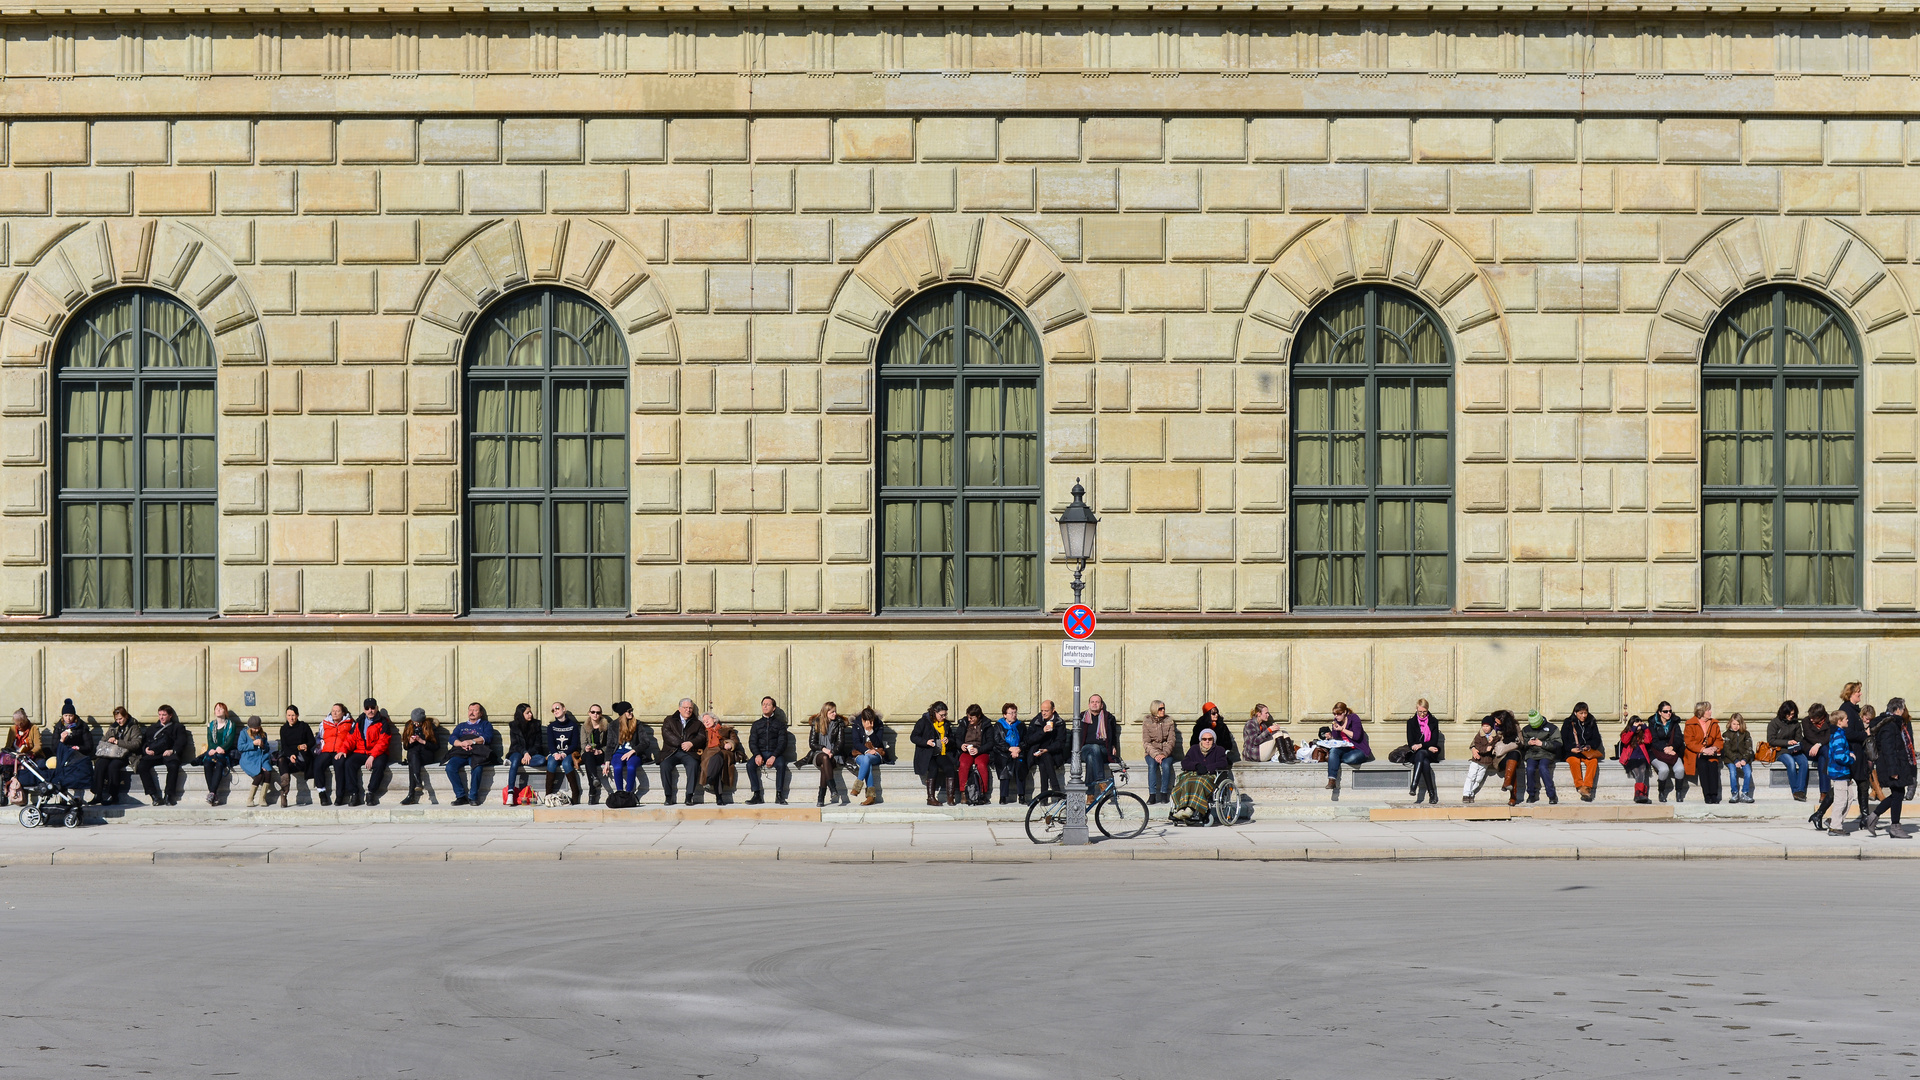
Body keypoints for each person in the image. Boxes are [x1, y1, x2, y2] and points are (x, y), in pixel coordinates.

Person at [1867, 698, 1916, 838]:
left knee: (1897, 795)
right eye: (1903, 708)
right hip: (1892, 766)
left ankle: (1873, 818)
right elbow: (1888, 750)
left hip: (1895, 764)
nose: (1904, 711)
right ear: (1898, 710)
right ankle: (1894, 826)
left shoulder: (1891, 723)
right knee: (1898, 795)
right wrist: (1893, 771)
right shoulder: (1890, 725)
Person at [1169, 728, 1232, 825]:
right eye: (1204, 739)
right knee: (1185, 782)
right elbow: (1185, 762)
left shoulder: (1219, 750)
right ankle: (1181, 808)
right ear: (1200, 740)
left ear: (1213, 740)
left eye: (1210, 739)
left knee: (1198, 782)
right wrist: (1196, 765)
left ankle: (1191, 808)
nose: (1207, 741)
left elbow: (1223, 763)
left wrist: (1208, 768)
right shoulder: (1194, 749)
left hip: (1210, 776)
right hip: (1192, 774)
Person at [135, 705, 189, 805]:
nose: (161, 717)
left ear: (170, 715)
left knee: (173, 765)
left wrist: (172, 751)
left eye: (164, 715)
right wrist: (145, 749)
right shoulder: (152, 728)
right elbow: (144, 742)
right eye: (160, 714)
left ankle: (169, 795)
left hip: (169, 754)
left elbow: (181, 742)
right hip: (154, 754)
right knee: (142, 766)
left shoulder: (178, 727)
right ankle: (154, 796)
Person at [443, 703, 495, 806]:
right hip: (461, 751)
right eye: (470, 710)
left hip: (477, 752)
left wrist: (472, 741)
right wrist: (462, 743)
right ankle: (461, 796)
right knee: (450, 767)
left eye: (475, 710)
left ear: (481, 713)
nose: (472, 712)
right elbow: (452, 738)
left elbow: (487, 737)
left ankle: (473, 797)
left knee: (477, 767)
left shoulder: (485, 725)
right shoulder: (461, 726)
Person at [91, 706, 143, 806]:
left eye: (120, 719)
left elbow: (136, 744)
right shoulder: (113, 727)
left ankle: (113, 795)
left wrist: (118, 742)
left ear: (126, 716)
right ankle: (97, 793)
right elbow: (103, 740)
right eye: (117, 719)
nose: (119, 721)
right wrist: (109, 739)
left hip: (126, 755)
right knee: (100, 764)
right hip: (110, 753)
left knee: (113, 767)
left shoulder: (133, 727)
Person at [747, 696, 793, 805]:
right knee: (750, 765)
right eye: (763, 704)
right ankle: (756, 794)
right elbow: (752, 742)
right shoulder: (756, 724)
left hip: (774, 753)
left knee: (781, 764)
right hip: (761, 752)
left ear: (774, 708)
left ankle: (779, 795)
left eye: (768, 704)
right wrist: (757, 755)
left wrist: (774, 756)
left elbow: (782, 742)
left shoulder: (780, 724)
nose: (765, 706)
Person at [603, 702, 652, 803]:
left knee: (631, 767)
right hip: (618, 753)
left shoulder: (637, 724)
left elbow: (646, 742)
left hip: (634, 753)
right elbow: (610, 745)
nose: (631, 713)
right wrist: (607, 761)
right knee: (617, 767)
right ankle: (620, 793)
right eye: (629, 711)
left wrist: (633, 751)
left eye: (632, 710)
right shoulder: (613, 725)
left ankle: (629, 793)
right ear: (623, 713)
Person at [912, 701, 958, 806]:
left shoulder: (946, 724)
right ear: (935, 712)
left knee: (950, 768)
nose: (944, 717)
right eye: (941, 715)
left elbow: (953, 739)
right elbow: (913, 737)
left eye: (945, 714)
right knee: (933, 769)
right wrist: (926, 742)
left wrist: (948, 740)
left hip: (941, 753)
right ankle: (930, 798)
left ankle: (950, 797)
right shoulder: (923, 722)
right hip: (927, 754)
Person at [807, 702, 853, 807]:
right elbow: (812, 743)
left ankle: (821, 798)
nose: (835, 714)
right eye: (832, 712)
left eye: (835, 711)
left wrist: (832, 752)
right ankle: (832, 788)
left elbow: (840, 743)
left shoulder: (839, 724)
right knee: (824, 757)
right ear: (826, 712)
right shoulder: (816, 723)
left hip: (834, 755)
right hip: (818, 753)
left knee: (825, 765)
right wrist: (823, 749)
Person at [659, 698, 704, 806]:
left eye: (690, 708)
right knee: (664, 765)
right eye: (685, 708)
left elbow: (702, 737)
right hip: (671, 751)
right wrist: (682, 743)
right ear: (679, 709)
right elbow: (666, 734)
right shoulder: (669, 720)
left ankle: (689, 796)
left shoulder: (697, 723)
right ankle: (668, 796)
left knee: (693, 765)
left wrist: (692, 743)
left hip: (689, 752)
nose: (688, 710)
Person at [1840, 685, 1872, 831]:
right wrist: (1865, 734)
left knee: (1863, 783)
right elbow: (1847, 733)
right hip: (1852, 752)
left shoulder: (1854, 709)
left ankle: (1865, 818)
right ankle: (1820, 813)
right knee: (1847, 785)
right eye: (1858, 691)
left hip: (1858, 753)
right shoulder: (1847, 709)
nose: (1860, 693)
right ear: (1851, 693)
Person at [695, 712, 745, 805]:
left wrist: (730, 744)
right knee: (717, 765)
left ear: (714, 719)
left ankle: (710, 780)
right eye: (704, 722)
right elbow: (698, 743)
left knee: (718, 757)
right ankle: (719, 797)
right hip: (709, 753)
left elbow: (735, 740)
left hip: (725, 752)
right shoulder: (704, 733)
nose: (706, 722)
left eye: (708, 720)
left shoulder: (726, 730)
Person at [1824, 705, 1859, 836]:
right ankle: (1835, 827)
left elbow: (1841, 750)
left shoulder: (1840, 734)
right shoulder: (1838, 735)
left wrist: (1848, 752)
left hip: (1843, 772)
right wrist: (1851, 759)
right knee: (1841, 800)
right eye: (1846, 719)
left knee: (1849, 797)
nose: (1848, 721)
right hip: (1839, 772)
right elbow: (1839, 756)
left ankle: (1834, 820)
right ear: (1839, 721)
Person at [1323, 702, 1371, 795]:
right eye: (1335, 714)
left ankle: (1334, 760)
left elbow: (1356, 736)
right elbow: (1337, 739)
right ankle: (1332, 780)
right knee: (1333, 751)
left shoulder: (1354, 718)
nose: (1336, 716)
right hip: (1345, 749)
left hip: (1358, 749)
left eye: (1339, 714)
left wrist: (1342, 729)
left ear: (1345, 712)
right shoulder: (1336, 721)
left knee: (1352, 758)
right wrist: (1332, 735)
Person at [1561, 701, 1604, 803]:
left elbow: (1596, 739)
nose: (1584, 716)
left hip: (1586, 752)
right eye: (1581, 713)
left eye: (1585, 713)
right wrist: (1571, 749)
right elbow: (1563, 739)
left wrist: (1589, 746)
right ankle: (1580, 786)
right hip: (1572, 751)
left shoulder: (1591, 721)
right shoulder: (1568, 722)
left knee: (1593, 762)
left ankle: (1587, 787)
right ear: (1575, 712)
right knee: (1574, 762)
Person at [51, 702, 95, 803]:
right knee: (61, 768)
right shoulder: (58, 727)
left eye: (70, 715)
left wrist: (79, 748)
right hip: (64, 756)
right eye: (66, 715)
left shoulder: (82, 726)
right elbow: (54, 748)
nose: (68, 718)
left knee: (77, 769)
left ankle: (78, 796)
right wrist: (62, 740)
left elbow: (89, 746)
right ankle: (62, 795)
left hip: (78, 756)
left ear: (74, 715)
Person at [317, 702, 358, 807]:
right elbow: (320, 737)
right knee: (317, 764)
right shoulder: (325, 723)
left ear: (343, 713)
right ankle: (322, 793)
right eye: (333, 711)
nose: (335, 713)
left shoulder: (350, 723)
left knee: (339, 766)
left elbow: (353, 738)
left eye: (338, 711)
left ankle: (340, 795)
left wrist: (345, 750)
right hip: (327, 750)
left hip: (341, 751)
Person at [1403, 699, 1443, 805]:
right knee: (1424, 762)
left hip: (1431, 752)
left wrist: (1422, 745)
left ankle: (1413, 786)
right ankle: (1432, 793)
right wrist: (1426, 746)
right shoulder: (1411, 722)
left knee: (1422, 754)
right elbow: (1411, 742)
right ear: (1416, 709)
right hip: (1416, 753)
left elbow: (1434, 741)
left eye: (1424, 712)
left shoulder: (1433, 721)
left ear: (1427, 710)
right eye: (1420, 711)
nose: (1422, 714)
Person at [1768, 700, 1810, 802]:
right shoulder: (1774, 723)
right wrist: (1787, 742)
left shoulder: (1796, 724)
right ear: (1784, 712)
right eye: (1789, 714)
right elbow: (1771, 740)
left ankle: (1800, 790)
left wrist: (1796, 744)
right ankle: (1795, 791)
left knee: (1804, 762)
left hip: (1794, 750)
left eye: (1793, 714)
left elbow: (1799, 738)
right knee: (1791, 763)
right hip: (1781, 750)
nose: (1791, 716)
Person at [1683, 701, 1724, 805]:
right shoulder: (1690, 723)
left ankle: (1714, 795)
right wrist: (1703, 749)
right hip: (1697, 753)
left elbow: (1719, 739)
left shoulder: (1714, 723)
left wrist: (1714, 748)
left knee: (1713, 766)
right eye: (1708, 710)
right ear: (1701, 711)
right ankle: (1707, 795)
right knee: (1703, 766)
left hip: (1711, 752)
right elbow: (1689, 742)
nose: (1710, 712)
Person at [852, 707, 895, 806]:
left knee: (867, 759)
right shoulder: (856, 724)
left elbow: (878, 743)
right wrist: (867, 750)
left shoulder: (879, 724)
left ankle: (857, 786)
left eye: (872, 722)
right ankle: (870, 797)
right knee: (866, 761)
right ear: (862, 720)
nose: (870, 724)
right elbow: (856, 743)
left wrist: (871, 732)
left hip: (876, 753)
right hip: (860, 753)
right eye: (867, 722)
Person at [503, 703, 544, 805]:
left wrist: (528, 754)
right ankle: (510, 793)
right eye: (527, 713)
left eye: (530, 712)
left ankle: (518, 763)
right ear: (521, 714)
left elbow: (538, 744)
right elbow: (515, 744)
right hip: (517, 752)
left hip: (532, 754)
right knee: (516, 759)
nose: (530, 714)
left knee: (542, 760)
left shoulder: (536, 725)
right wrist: (524, 753)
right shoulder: (514, 726)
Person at [1024, 701, 1067, 798]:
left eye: (1046, 711)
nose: (1043, 713)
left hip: (1054, 755)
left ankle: (1043, 797)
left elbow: (1060, 743)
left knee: (1044, 762)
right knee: (1045, 758)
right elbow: (1028, 740)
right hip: (1036, 754)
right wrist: (1042, 732)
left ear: (1053, 710)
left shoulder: (1059, 722)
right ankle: (1056, 790)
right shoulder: (1037, 721)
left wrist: (1047, 749)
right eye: (1042, 710)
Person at [399, 709, 442, 805]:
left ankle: (411, 795)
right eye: (414, 723)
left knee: (412, 759)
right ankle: (417, 783)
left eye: (418, 723)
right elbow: (405, 747)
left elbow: (436, 747)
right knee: (412, 755)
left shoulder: (430, 727)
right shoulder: (409, 725)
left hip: (426, 756)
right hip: (414, 757)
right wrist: (409, 742)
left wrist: (423, 741)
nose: (416, 725)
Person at [202, 702, 241, 806]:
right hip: (213, 752)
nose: (218, 710)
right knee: (207, 764)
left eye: (221, 709)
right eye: (216, 709)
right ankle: (213, 793)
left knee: (219, 764)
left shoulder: (231, 724)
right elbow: (210, 740)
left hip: (225, 753)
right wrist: (213, 749)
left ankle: (212, 793)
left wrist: (222, 748)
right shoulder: (211, 725)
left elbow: (230, 740)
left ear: (225, 711)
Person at [274, 706, 314, 808]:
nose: (291, 718)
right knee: (281, 760)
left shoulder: (304, 726)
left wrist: (306, 745)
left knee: (284, 766)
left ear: (297, 715)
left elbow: (312, 741)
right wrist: (290, 755)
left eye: (293, 715)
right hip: (289, 756)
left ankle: (283, 791)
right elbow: (284, 746)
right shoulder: (283, 729)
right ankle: (285, 790)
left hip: (301, 757)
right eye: (289, 715)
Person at [355, 699, 394, 806]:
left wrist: (372, 756)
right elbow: (350, 738)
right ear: (364, 710)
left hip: (379, 752)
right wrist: (342, 750)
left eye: (372, 708)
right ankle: (354, 794)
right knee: (348, 763)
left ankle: (371, 792)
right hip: (363, 751)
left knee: (379, 764)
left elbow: (383, 742)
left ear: (377, 708)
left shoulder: (383, 722)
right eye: (367, 708)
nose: (370, 711)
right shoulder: (359, 721)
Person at [1080, 693, 1122, 788]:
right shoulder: (1081, 717)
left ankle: (1090, 794)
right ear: (1089, 705)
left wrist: (1113, 746)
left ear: (1101, 705)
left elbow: (1113, 734)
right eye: (1092, 702)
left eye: (1097, 702)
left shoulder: (1108, 718)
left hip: (1103, 750)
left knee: (1091, 758)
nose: (1095, 704)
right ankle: (1101, 780)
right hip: (1084, 749)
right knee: (1094, 747)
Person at [1518, 710, 1561, 804]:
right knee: (1529, 769)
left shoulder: (1551, 728)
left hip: (1546, 753)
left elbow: (1558, 744)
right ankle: (1531, 794)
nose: (1535, 728)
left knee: (1543, 768)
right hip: (1531, 753)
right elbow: (1521, 744)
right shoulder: (1526, 729)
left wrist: (1542, 744)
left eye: (1537, 726)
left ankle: (1552, 795)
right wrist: (1528, 743)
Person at [544, 703, 583, 804]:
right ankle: (548, 794)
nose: (555, 711)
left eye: (557, 708)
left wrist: (565, 754)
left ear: (564, 709)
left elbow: (574, 744)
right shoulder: (551, 727)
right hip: (556, 753)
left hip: (569, 752)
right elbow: (551, 744)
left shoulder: (573, 726)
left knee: (566, 763)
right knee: (551, 763)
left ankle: (575, 792)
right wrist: (555, 754)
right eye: (553, 710)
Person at [955, 704, 995, 805]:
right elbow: (957, 738)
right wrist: (961, 745)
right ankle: (963, 793)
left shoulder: (986, 724)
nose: (969, 719)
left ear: (978, 716)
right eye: (968, 717)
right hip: (966, 751)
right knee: (963, 764)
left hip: (981, 750)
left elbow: (990, 742)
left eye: (972, 718)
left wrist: (979, 750)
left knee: (981, 764)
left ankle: (983, 793)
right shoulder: (964, 723)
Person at [987, 703, 1025, 805]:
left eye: (1015, 712)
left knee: (1019, 766)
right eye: (1011, 713)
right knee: (1005, 768)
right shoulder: (998, 725)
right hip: (1003, 753)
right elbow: (997, 741)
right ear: (1005, 715)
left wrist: (1018, 749)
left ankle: (1021, 795)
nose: (1013, 715)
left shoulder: (1021, 725)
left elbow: (1025, 740)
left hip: (1018, 752)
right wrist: (1009, 749)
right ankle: (1003, 796)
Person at [1805, 703, 1835, 829]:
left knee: (1825, 756)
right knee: (1825, 752)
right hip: (1810, 748)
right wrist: (1817, 744)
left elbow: (1829, 736)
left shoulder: (1829, 721)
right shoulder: (1806, 721)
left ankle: (1824, 793)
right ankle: (1824, 792)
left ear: (1821, 716)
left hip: (1822, 748)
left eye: (1814, 718)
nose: (1811, 720)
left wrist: (1819, 744)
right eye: (1810, 717)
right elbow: (1808, 736)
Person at [1141, 701, 1177, 804]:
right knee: (1152, 765)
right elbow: (1146, 742)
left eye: (1163, 708)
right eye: (1160, 709)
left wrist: (1164, 754)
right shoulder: (1147, 721)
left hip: (1166, 752)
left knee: (1166, 765)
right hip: (1152, 752)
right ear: (1154, 709)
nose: (1163, 711)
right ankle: (1152, 795)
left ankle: (1164, 794)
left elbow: (1171, 740)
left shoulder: (1169, 721)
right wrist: (1156, 754)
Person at [1647, 701, 1684, 802]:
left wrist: (1672, 748)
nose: (1668, 713)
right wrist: (1665, 749)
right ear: (1659, 712)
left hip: (1672, 751)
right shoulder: (1653, 723)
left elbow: (1679, 738)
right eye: (1665, 711)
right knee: (1664, 770)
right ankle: (1661, 792)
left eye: (1670, 711)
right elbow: (1653, 740)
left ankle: (1679, 792)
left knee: (1680, 769)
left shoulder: (1674, 722)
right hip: (1657, 752)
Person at [237, 716, 277, 806]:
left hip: (262, 758)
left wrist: (263, 745)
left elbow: (267, 748)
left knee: (268, 773)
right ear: (250, 727)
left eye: (258, 727)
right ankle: (250, 799)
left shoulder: (263, 734)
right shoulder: (244, 733)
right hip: (249, 759)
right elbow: (240, 747)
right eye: (254, 728)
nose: (256, 730)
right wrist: (253, 744)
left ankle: (262, 798)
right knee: (259, 775)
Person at [1616, 714, 1656, 804]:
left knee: (1642, 772)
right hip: (1631, 758)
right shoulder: (1626, 733)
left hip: (1642, 758)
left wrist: (1645, 728)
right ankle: (1640, 794)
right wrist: (1633, 729)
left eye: (1639, 725)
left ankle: (1640, 794)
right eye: (1637, 725)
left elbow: (1648, 740)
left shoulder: (1642, 734)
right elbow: (1625, 740)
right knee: (1638, 773)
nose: (1639, 727)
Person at [1462, 716, 1499, 804]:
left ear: (1491, 727)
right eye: (1483, 726)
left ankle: (1471, 793)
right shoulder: (1479, 735)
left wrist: (1491, 742)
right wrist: (1486, 749)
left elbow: (1495, 746)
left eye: (1487, 726)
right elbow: (1477, 746)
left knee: (1479, 779)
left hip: (1485, 761)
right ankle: (1466, 794)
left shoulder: (1495, 736)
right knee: (1471, 776)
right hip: (1476, 759)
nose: (1485, 728)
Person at [580, 705, 611, 806]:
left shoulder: (606, 726)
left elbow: (610, 744)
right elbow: (583, 743)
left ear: (601, 714)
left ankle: (592, 792)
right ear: (589, 713)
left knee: (590, 762)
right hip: (588, 753)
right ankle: (595, 778)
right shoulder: (585, 726)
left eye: (598, 712)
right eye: (593, 712)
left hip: (600, 754)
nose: (595, 714)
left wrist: (601, 751)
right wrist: (586, 748)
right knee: (588, 756)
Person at [1722, 714, 1756, 805]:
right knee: (1733, 772)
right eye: (1734, 724)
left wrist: (1744, 759)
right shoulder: (1727, 734)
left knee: (1748, 772)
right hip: (1731, 759)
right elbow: (1727, 750)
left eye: (1738, 724)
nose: (1736, 726)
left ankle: (1745, 793)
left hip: (1743, 758)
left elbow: (1749, 748)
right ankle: (1734, 793)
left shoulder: (1746, 734)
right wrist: (1735, 760)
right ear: (1730, 723)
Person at [1493, 710, 1523, 805]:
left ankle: (1507, 783)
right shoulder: (1494, 727)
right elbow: (1481, 738)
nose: (1495, 721)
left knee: (1514, 755)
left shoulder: (1515, 727)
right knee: (1512, 763)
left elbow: (1522, 743)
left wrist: (1517, 741)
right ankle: (1512, 795)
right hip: (1500, 757)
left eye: (1497, 719)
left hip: (1513, 753)